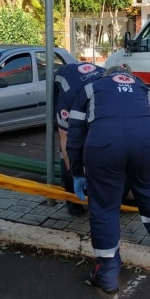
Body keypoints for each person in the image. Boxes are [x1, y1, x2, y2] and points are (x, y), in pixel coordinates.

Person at [66, 65, 150, 294]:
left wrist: (76, 172)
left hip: (105, 145)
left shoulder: (90, 88)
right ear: (129, 76)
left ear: (108, 76)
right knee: (147, 190)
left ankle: (107, 273)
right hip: (147, 144)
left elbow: (75, 133)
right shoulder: (147, 91)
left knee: (105, 206)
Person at [54, 61, 106, 215]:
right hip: (65, 86)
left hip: (87, 88)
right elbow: (66, 142)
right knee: (72, 144)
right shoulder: (69, 97)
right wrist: (75, 174)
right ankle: (71, 198)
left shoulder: (111, 92)